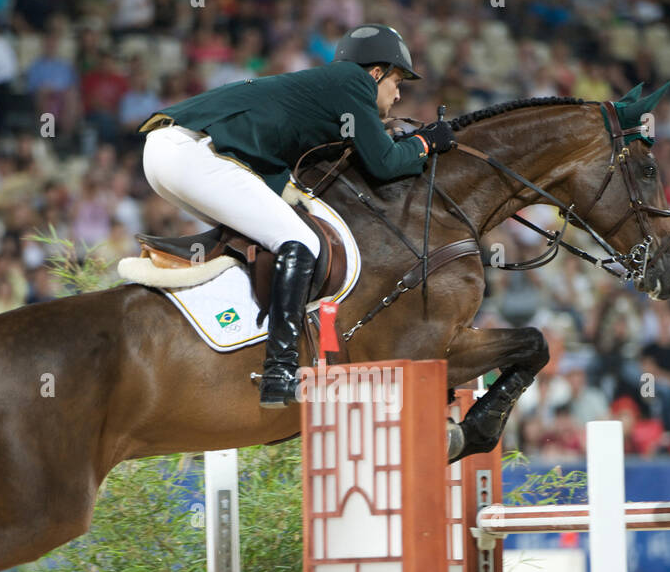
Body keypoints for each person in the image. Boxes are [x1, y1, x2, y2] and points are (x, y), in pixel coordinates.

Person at [137, 24, 456, 408]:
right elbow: (385, 164)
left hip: (168, 153)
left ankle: (232, 336)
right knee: (299, 240)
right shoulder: (353, 81)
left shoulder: (330, 90)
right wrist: (426, 141)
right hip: (190, 152)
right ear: (375, 73)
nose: (399, 93)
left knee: (267, 232)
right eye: (397, 81)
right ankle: (280, 371)